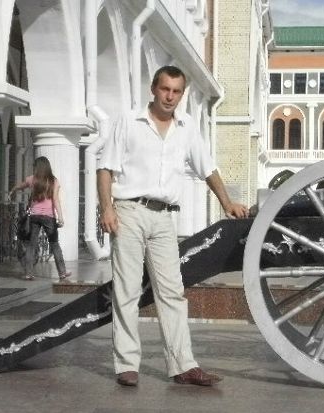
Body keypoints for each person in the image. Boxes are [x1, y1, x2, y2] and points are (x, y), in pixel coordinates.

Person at [97, 65, 249, 387]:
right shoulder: (130, 121)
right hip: (129, 211)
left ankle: (183, 365)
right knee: (127, 291)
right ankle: (127, 364)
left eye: (176, 91)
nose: (170, 96)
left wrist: (227, 203)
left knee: (172, 292)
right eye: (165, 89)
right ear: (154, 89)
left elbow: (208, 168)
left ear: (182, 94)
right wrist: (107, 208)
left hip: (164, 217)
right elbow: (105, 168)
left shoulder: (187, 126)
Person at [9, 156, 72, 281]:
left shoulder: (32, 179)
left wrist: (13, 190)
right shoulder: (54, 181)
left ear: (37, 167)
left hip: (34, 216)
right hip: (49, 217)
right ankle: (62, 272)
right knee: (54, 244)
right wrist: (60, 217)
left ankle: (28, 273)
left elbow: (20, 186)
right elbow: (56, 200)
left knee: (31, 245)